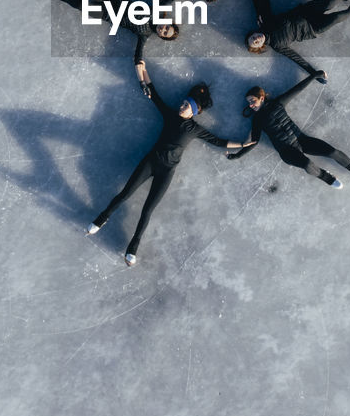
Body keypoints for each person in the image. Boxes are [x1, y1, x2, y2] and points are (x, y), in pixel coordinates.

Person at [88, 62, 254, 266]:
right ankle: (101, 219)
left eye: (185, 105)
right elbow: (155, 95)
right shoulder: (170, 115)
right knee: (125, 194)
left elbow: (218, 141)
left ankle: (133, 247)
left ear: (193, 111)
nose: (181, 106)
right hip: (150, 161)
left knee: (148, 210)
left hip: (166, 171)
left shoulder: (196, 129)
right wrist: (144, 70)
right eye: (182, 103)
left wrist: (242, 144)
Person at [228, 71, 350, 188]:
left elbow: (297, 89)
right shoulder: (257, 120)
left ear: (261, 98)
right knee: (307, 164)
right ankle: (326, 177)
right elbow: (254, 141)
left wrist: (314, 75)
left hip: (301, 139)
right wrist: (238, 155)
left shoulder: (278, 103)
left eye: (252, 101)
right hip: (287, 150)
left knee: (332, 152)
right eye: (249, 103)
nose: (250, 105)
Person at [243, 0, 350, 77]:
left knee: (330, 3)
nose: (256, 39)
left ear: (254, 32)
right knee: (337, 17)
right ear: (260, 46)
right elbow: (297, 58)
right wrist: (314, 73)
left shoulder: (266, 21)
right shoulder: (277, 46)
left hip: (306, 11)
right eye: (255, 42)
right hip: (313, 28)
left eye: (253, 37)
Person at [43, 0, 177, 63]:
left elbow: (138, 57)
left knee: (77, 4)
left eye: (164, 33)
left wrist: (143, 81)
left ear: (161, 36)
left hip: (106, 14)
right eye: (167, 28)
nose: (163, 29)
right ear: (167, 22)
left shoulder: (144, 35)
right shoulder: (156, 10)